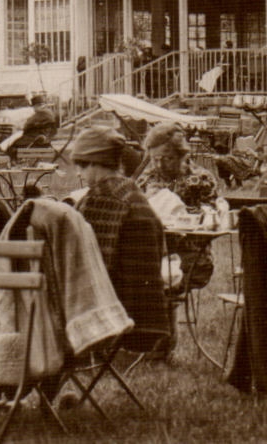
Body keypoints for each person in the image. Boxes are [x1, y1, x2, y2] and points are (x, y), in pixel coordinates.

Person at [68, 128, 174, 357]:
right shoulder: (132, 193)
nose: (79, 173)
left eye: (83, 166)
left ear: (99, 162)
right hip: (144, 307)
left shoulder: (102, 199)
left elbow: (85, 265)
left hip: (110, 306)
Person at [136, 123, 226, 289]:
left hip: (190, 256)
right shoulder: (148, 178)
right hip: (152, 253)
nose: (160, 165)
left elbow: (214, 222)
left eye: (167, 158)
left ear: (182, 155)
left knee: (154, 282)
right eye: (155, 159)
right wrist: (146, 200)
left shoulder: (201, 179)